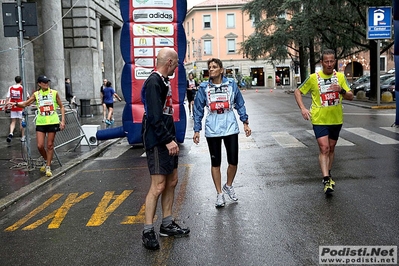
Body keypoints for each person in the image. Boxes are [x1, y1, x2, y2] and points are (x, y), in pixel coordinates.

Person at [141, 47, 190, 250]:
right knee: (158, 185)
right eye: (176, 63)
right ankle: (148, 231)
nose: (176, 67)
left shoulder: (163, 81)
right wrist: (167, 140)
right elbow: (153, 116)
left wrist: (172, 138)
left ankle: (167, 224)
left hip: (168, 138)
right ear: (169, 62)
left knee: (172, 181)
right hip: (158, 141)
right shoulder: (153, 82)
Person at [193, 58, 252, 208]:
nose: (211, 69)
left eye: (214, 67)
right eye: (209, 67)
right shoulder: (203, 87)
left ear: (221, 70)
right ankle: (219, 194)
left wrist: (245, 122)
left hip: (230, 127)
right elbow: (198, 109)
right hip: (212, 129)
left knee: (233, 161)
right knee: (216, 162)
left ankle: (229, 185)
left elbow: (240, 103)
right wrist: (196, 130)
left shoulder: (231, 84)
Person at [294, 49, 354, 194]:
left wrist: (341, 91)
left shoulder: (340, 77)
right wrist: (303, 108)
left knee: (331, 148)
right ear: (321, 62)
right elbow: (298, 91)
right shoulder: (313, 77)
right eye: (326, 61)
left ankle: (328, 172)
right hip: (319, 119)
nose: (329, 64)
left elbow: (351, 96)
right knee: (324, 148)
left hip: (336, 118)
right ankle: (326, 179)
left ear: (334, 61)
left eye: (331, 61)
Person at [10, 75, 65, 177]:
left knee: (49, 145)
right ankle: (47, 160)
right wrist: (15, 104)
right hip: (41, 122)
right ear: (39, 84)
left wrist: (62, 121)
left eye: (47, 82)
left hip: (52, 121)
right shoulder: (36, 94)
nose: (46, 84)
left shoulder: (54, 93)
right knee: (39, 146)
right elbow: (26, 103)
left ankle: (48, 166)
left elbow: (61, 106)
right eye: (44, 82)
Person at [5, 76, 26, 142]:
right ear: (21, 81)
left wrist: (6, 105)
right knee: (21, 122)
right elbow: (27, 96)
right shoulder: (22, 88)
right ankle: (22, 137)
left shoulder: (11, 87)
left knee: (13, 121)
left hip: (13, 106)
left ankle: (11, 133)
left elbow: (7, 97)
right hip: (20, 105)